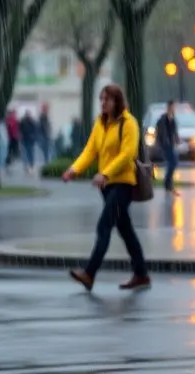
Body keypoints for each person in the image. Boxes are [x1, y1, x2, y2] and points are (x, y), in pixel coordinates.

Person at [62, 83, 150, 292]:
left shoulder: (129, 123)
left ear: (116, 101)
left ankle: (89, 273)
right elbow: (90, 150)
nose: (103, 103)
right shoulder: (101, 123)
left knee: (104, 227)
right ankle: (142, 274)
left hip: (123, 184)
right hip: (107, 186)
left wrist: (106, 173)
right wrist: (74, 170)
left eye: (107, 99)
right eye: (101, 99)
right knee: (125, 230)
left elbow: (127, 154)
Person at [156, 101, 179, 196]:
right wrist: (164, 141)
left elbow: (174, 131)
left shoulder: (173, 119)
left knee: (173, 162)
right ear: (169, 107)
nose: (173, 109)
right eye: (172, 107)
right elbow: (161, 131)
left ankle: (168, 183)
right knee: (172, 162)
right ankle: (168, 183)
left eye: (174, 107)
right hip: (165, 145)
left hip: (171, 144)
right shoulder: (163, 119)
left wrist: (176, 139)